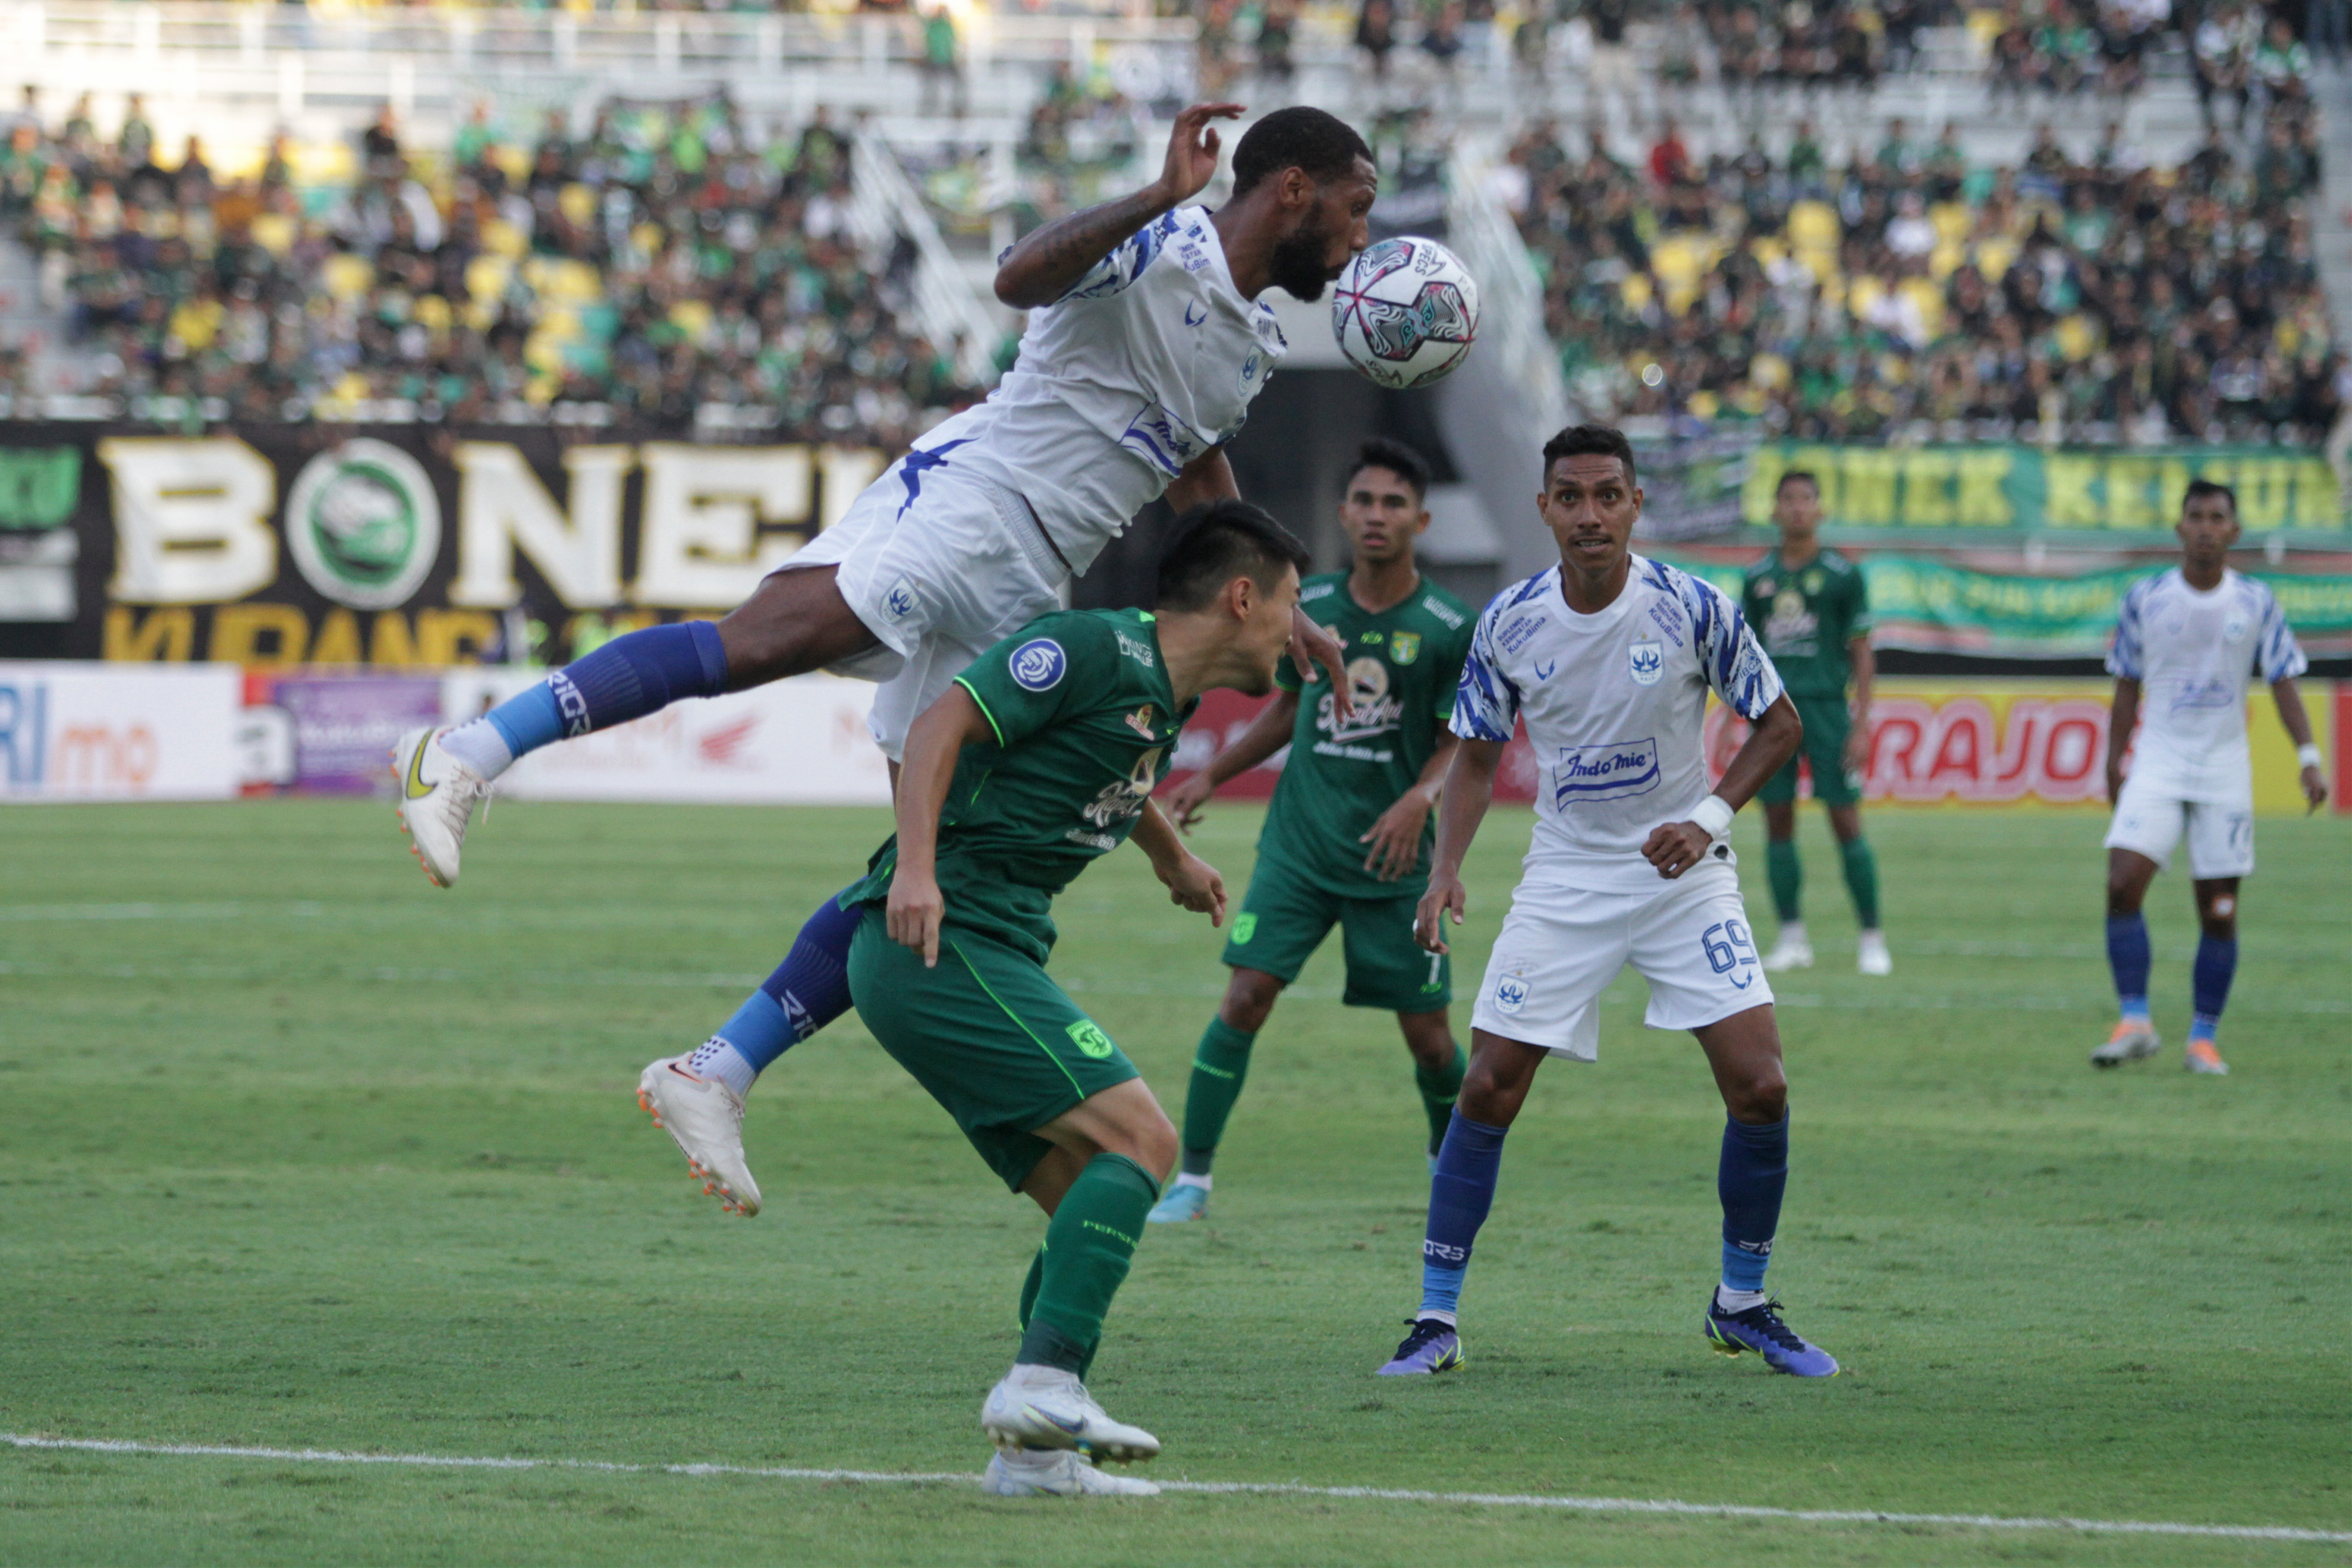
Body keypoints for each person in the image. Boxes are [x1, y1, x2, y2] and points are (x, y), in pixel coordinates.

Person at [390, 104, 1375, 1205]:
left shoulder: (1245, 346)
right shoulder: (1164, 243)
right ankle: (471, 749)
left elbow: (1195, 470)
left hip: (1026, 567)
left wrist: (1280, 598)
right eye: (1356, 202)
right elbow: (1015, 279)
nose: (1361, 232)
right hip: (979, 500)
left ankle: (714, 1069)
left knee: (939, 854)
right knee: (769, 641)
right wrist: (1155, 194)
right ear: (1292, 188)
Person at [844, 501, 1309, 1496]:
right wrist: (914, 871)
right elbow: (940, 723)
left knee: (1085, 1207)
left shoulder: (1157, 695)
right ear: (1241, 597)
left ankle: (1036, 1460)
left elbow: (1110, 775)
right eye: (1291, 601)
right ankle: (1042, 1383)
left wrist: (1173, 855)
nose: (1296, 627)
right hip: (944, 937)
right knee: (1144, 1142)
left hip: (979, 947)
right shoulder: (1089, 646)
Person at [1375, 425, 1840, 1382]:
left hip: (1686, 872)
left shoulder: (1692, 606)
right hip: (1567, 875)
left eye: (1608, 495)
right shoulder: (1507, 621)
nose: (1590, 514)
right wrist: (1446, 866)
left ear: (1635, 505)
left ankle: (1742, 1303)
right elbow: (1472, 752)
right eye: (1571, 496)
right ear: (1544, 507)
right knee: (1488, 1085)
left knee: (1763, 1086)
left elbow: (1779, 723)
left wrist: (1708, 817)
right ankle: (1434, 1317)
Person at [1147, 439, 1476, 1224]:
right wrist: (1212, 774)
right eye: (1363, 500)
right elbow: (1292, 711)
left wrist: (1420, 798)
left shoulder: (1448, 624)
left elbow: (1463, 738)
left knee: (1431, 1040)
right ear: (1342, 513)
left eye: (1394, 503)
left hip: (1393, 858)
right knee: (1244, 997)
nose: (1376, 515)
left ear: (1421, 520)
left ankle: (1451, 1163)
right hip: (1299, 847)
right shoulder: (1308, 605)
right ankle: (1191, 1179)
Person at [2092, 479, 2327, 1075]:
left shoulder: (2255, 602)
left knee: (2218, 909)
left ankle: (2202, 1039)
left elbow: (2281, 680)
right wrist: (2113, 758)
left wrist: (2307, 756)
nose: (2204, 526)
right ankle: (2135, 1022)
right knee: (2122, 884)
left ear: (2233, 531)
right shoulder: (2145, 597)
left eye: (2216, 517)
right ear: (2179, 529)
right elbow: (2126, 685)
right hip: (2158, 760)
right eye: (2194, 516)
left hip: (2223, 768)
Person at [1742, 470, 1888, 976]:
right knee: (1778, 821)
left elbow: (1862, 652)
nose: (1798, 507)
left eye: (1807, 498)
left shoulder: (1844, 575)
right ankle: (1792, 938)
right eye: (1789, 499)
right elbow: (1747, 654)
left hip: (1827, 710)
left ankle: (1871, 937)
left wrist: (1862, 723)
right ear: (1776, 510)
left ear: (1820, 510)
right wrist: (1730, 719)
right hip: (1770, 717)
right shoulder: (1757, 577)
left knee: (1845, 819)